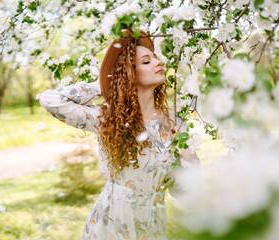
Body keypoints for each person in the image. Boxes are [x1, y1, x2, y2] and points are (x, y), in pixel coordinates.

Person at [39, 29, 199, 240]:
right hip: (112, 223)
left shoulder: (174, 124)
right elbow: (50, 100)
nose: (158, 62)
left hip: (152, 226)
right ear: (130, 73)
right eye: (146, 62)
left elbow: (187, 195)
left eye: (155, 58)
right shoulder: (108, 118)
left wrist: (189, 158)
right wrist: (109, 82)